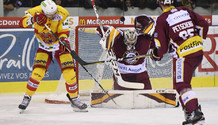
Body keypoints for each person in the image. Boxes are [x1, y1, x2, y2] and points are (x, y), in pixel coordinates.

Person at [18, 0, 88, 112]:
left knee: (70, 74)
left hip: (60, 47)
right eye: (51, 14)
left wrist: (64, 39)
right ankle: (27, 97)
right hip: (44, 48)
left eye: (55, 12)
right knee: (37, 74)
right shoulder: (34, 11)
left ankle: (74, 99)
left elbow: (63, 30)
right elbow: (21, 23)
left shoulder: (63, 13)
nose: (54, 15)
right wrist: (33, 19)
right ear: (44, 12)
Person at [151, 0, 209, 124]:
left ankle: (195, 113)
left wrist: (155, 55)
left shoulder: (162, 19)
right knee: (184, 84)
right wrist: (197, 40)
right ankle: (190, 114)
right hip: (198, 52)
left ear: (159, 3)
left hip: (184, 56)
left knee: (181, 85)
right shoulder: (185, 10)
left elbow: (161, 48)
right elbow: (204, 25)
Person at [96, 14, 155, 90]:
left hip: (141, 77)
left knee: (147, 100)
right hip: (121, 77)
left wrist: (156, 54)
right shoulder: (116, 36)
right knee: (120, 100)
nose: (130, 43)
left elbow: (159, 49)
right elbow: (98, 29)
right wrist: (104, 34)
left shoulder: (145, 39)